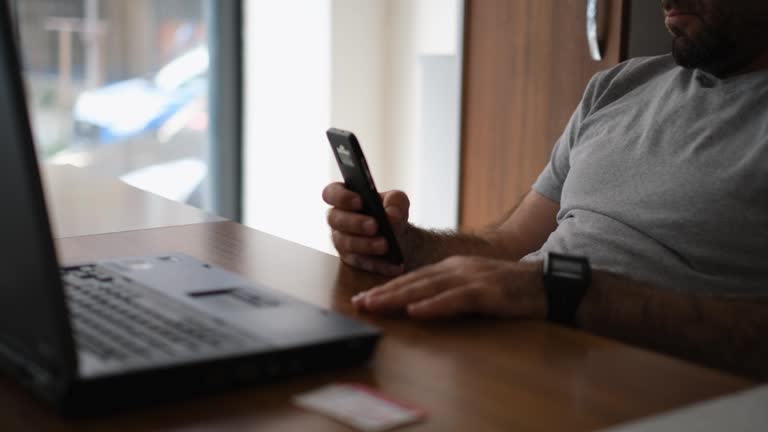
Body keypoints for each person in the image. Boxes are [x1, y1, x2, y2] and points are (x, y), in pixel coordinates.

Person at [322, 0, 768, 379]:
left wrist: (574, 293)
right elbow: (507, 245)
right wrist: (405, 246)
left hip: (632, 388)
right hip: (506, 354)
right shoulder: (618, 86)